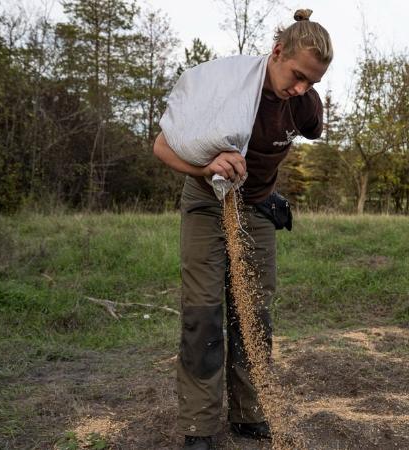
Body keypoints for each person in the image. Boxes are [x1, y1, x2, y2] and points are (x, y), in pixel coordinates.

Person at [153, 10, 332, 450]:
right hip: (207, 201)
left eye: (312, 81)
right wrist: (205, 163)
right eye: (297, 76)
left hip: (254, 207)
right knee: (203, 314)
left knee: (253, 312)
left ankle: (249, 414)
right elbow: (161, 146)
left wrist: (270, 191)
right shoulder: (230, 89)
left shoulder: (304, 104)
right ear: (275, 52)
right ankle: (199, 428)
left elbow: (305, 129)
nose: (301, 88)